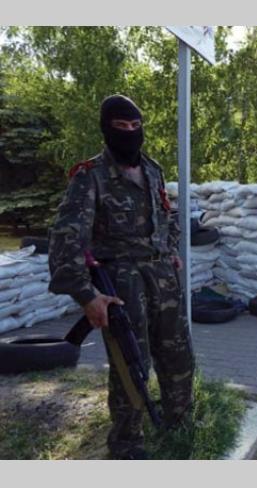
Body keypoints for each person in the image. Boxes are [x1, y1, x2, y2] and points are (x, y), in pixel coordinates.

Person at [48, 94, 195, 459]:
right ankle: (127, 444)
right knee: (132, 365)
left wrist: (170, 250)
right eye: (120, 126)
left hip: (162, 278)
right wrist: (87, 296)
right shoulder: (90, 176)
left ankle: (179, 424)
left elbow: (166, 215)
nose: (130, 132)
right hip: (123, 284)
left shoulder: (152, 169)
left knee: (179, 355)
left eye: (135, 125)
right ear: (106, 129)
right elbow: (67, 238)